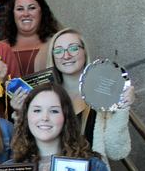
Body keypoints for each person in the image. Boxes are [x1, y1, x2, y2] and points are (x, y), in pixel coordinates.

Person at [42, 28, 132, 161]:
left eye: (73, 48)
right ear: (53, 57)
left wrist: (122, 107)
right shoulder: (44, 97)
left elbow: (117, 152)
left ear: (84, 51)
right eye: (58, 51)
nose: (66, 56)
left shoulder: (103, 95)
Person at [2, 0, 60, 76]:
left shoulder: (56, 44)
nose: (26, 14)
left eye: (32, 8)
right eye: (20, 9)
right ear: (12, 13)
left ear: (42, 12)